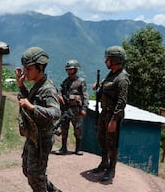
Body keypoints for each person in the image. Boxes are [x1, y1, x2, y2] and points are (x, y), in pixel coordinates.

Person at [15, 47, 67, 192]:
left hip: (42, 139)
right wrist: (21, 86)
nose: (26, 72)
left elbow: (55, 112)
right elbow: (26, 101)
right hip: (33, 136)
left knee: (36, 174)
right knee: (28, 170)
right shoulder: (37, 86)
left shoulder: (47, 89)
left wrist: (31, 107)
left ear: (40, 68)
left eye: (28, 69)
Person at [91, 46, 130, 182]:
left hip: (113, 116)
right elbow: (107, 86)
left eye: (107, 59)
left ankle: (111, 169)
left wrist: (114, 121)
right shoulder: (112, 74)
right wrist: (99, 85)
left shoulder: (122, 78)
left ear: (114, 60)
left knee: (112, 143)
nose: (105, 61)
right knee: (101, 139)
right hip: (104, 113)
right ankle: (104, 163)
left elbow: (122, 101)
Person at [53, 59, 89, 155]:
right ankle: (63, 148)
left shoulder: (81, 82)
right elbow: (59, 90)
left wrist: (84, 108)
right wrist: (59, 96)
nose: (69, 71)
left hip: (76, 110)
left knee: (77, 129)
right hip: (66, 109)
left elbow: (85, 96)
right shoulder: (65, 82)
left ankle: (78, 149)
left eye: (71, 69)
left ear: (76, 70)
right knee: (64, 128)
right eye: (68, 69)